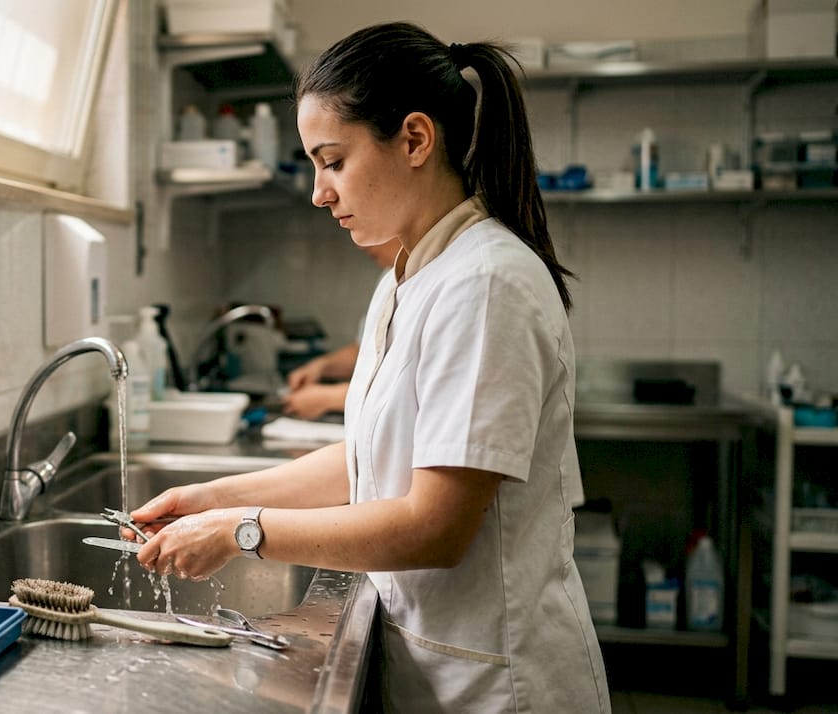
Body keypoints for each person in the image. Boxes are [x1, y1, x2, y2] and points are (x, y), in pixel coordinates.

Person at [125, 21, 609, 712]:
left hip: (501, 683)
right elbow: (369, 459)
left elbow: (434, 526)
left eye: (333, 160)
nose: (319, 192)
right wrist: (210, 498)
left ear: (415, 139)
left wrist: (241, 531)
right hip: (437, 664)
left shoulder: (486, 283)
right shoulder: (409, 277)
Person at [281, 239, 400, 420]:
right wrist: (321, 366)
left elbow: (406, 389)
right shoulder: (388, 278)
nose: (361, 245)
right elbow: (369, 349)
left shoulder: (436, 278)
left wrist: (328, 398)